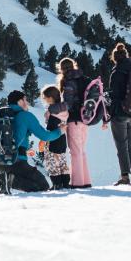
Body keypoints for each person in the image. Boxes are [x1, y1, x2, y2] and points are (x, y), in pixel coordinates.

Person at [0, 90, 62, 195]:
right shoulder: (25, 116)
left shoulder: (1, 116)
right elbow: (44, 136)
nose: (27, 103)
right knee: (43, 186)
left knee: (34, 185)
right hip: (16, 161)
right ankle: (5, 180)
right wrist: (60, 131)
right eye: (25, 100)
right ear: (19, 101)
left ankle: (6, 180)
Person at [104, 43, 131, 186]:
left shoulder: (117, 72)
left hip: (120, 113)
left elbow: (115, 94)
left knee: (121, 145)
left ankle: (125, 177)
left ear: (114, 58)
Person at [57, 58, 92, 188]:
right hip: (85, 119)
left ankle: (77, 183)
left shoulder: (69, 83)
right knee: (81, 151)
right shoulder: (84, 79)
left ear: (62, 69)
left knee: (75, 152)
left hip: (74, 120)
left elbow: (68, 104)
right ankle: (85, 181)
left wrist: (54, 108)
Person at [40, 85, 70, 190]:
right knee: (62, 162)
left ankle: (57, 184)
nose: (44, 99)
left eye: (45, 97)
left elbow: (51, 127)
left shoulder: (53, 112)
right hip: (62, 140)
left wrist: (47, 120)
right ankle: (65, 183)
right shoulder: (63, 110)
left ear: (51, 98)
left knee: (51, 162)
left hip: (53, 140)